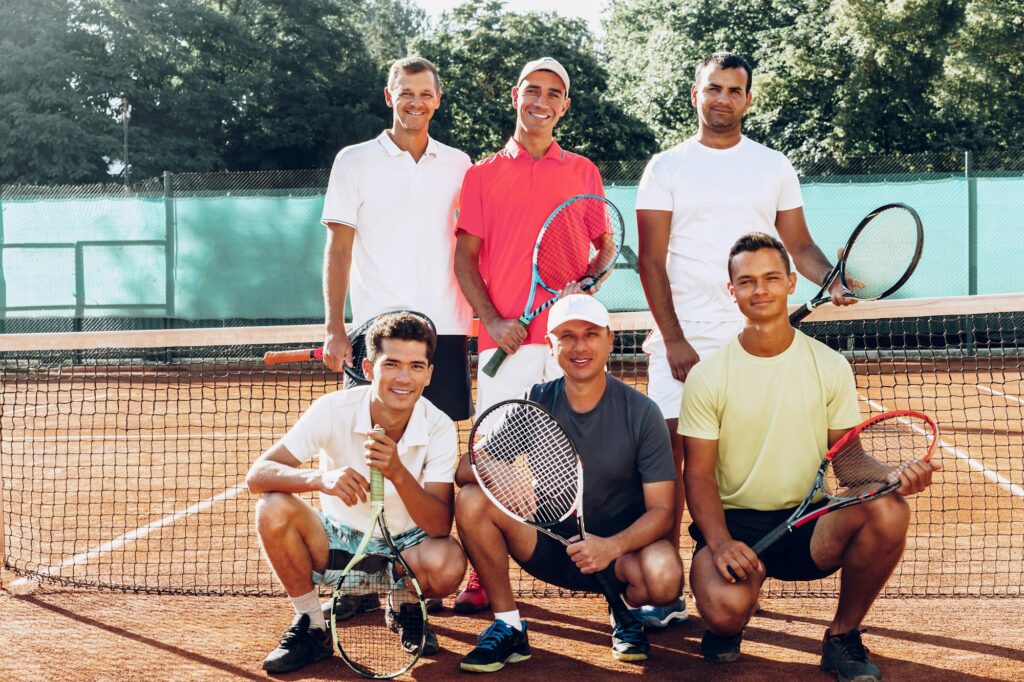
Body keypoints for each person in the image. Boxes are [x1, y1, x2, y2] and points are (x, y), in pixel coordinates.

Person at [635, 51, 855, 628]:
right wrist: (674, 339)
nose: (723, 99)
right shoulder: (666, 166)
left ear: (748, 100)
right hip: (684, 346)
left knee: (735, 461)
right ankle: (672, 588)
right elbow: (651, 263)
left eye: (734, 90)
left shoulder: (773, 165)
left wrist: (833, 279)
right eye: (713, 88)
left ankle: (730, 564)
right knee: (675, 466)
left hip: (755, 343)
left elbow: (800, 247)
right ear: (695, 93)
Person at [680, 233, 939, 679]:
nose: (760, 290)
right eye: (747, 282)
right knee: (724, 613)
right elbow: (699, 475)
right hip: (735, 525)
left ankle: (841, 636)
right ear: (732, 291)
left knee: (890, 511)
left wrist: (892, 477)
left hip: (809, 523)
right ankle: (733, 614)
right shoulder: (708, 377)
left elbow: (850, 462)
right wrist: (720, 543)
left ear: (792, 283)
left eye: (771, 278)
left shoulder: (829, 366)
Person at [452, 57, 615, 613]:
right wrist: (495, 322)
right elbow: (465, 260)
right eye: (532, 91)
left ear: (564, 106)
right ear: (515, 96)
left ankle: (591, 564)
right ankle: (482, 575)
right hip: (508, 345)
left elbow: (604, 246)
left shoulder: (583, 172)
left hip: (573, 342)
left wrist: (594, 276)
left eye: (553, 94)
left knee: (579, 456)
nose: (541, 102)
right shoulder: (480, 175)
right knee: (491, 458)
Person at [454, 295, 683, 672]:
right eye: (567, 336)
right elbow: (466, 467)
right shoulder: (535, 401)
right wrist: (494, 470)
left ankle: (624, 612)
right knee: (472, 499)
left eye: (590, 335)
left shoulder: (643, 413)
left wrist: (611, 547)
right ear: (550, 346)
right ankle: (508, 625)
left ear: (610, 340)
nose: (580, 347)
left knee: (664, 573)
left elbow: (663, 511)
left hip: (619, 558)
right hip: (551, 546)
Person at [248, 312, 467, 674]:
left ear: (429, 374)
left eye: (416, 366)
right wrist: (319, 480)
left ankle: (404, 604)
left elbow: (440, 525)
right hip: (339, 543)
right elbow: (258, 474)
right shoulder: (332, 410)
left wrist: (396, 471)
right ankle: (312, 625)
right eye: (391, 364)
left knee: (449, 562)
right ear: (368, 368)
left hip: (407, 550)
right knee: (272, 507)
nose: (403, 377)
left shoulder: (439, 426)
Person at [322, 56, 474, 423]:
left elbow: (474, 246)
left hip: (447, 327)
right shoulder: (352, 161)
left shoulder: (460, 164)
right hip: (376, 325)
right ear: (390, 96)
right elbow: (338, 248)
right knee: (370, 439)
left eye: (425, 93)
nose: (416, 102)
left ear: (437, 99)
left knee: (438, 441)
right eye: (407, 92)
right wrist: (334, 328)